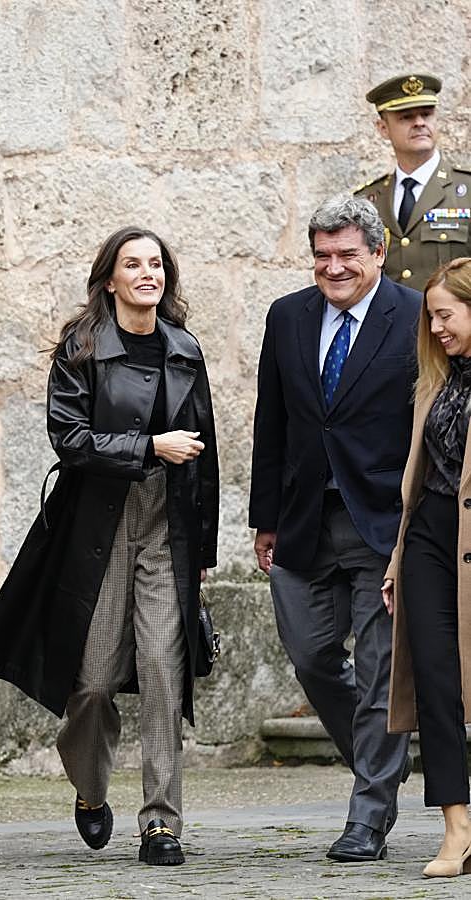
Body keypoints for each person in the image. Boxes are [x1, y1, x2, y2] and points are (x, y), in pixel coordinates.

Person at [0, 226, 219, 866]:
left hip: (168, 530)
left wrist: (204, 557)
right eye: (133, 265)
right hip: (98, 529)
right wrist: (147, 448)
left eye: (156, 265)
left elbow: (207, 454)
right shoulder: (81, 348)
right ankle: (90, 788)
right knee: (93, 684)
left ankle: (161, 824)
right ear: (110, 278)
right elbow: (69, 438)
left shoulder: (186, 349)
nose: (147, 275)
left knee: (166, 676)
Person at [249, 194, 419, 862]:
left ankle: (368, 817)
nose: (334, 267)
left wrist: (420, 529)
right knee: (311, 654)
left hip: (384, 523)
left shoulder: (412, 316)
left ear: (377, 253)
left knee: (379, 675)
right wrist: (265, 517)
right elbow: (273, 420)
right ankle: (383, 760)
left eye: (348, 254)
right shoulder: (287, 316)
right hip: (302, 521)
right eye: (322, 256)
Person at [382, 257, 471, 879]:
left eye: (446, 314)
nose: (436, 328)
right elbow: (417, 483)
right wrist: (396, 558)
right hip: (430, 541)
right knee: (438, 686)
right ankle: (456, 828)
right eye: (431, 317)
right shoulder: (436, 381)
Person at [354, 72, 471, 292]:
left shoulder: (467, 191)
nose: (419, 123)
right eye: (406, 117)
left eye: (426, 114)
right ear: (383, 128)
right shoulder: (368, 200)